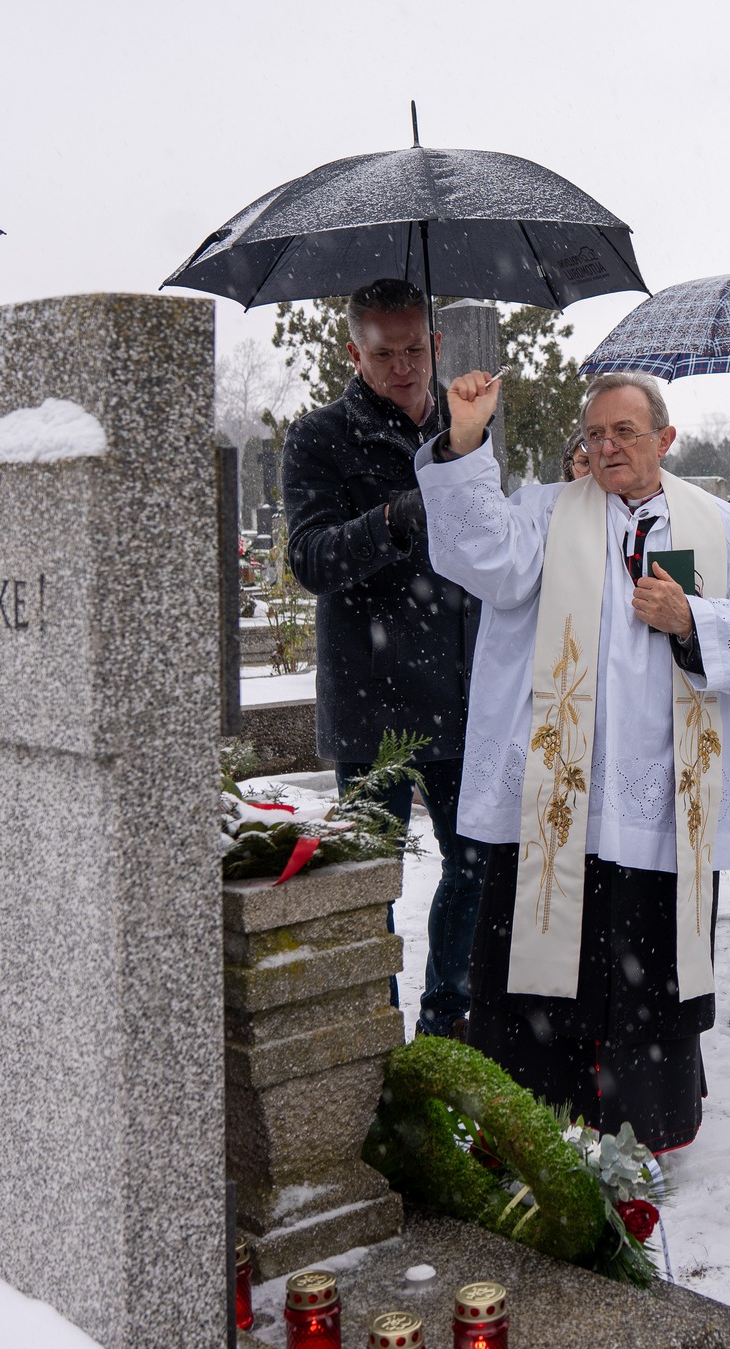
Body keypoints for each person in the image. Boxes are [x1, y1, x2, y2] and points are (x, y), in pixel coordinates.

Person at [415, 369, 730, 1151]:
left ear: (665, 438)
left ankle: (642, 1123)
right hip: (557, 795)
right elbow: (478, 554)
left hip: (662, 799)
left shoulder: (720, 527)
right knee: (537, 967)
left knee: (646, 970)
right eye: (594, 433)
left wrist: (693, 617)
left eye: (625, 431)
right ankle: (535, 1119)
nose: (606, 446)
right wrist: (465, 437)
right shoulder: (547, 513)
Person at [283, 277, 485, 1041]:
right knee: (371, 882)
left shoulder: (465, 429)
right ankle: (374, 1034)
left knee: (476, 863)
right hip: (374, 700)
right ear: (353, 354)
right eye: (383, 354)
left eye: (414, 350)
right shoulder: (318, 437)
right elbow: (310, 558)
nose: (402, 368)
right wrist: (395, 518)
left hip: (463, 689)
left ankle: (445, 1019)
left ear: (436, 343)